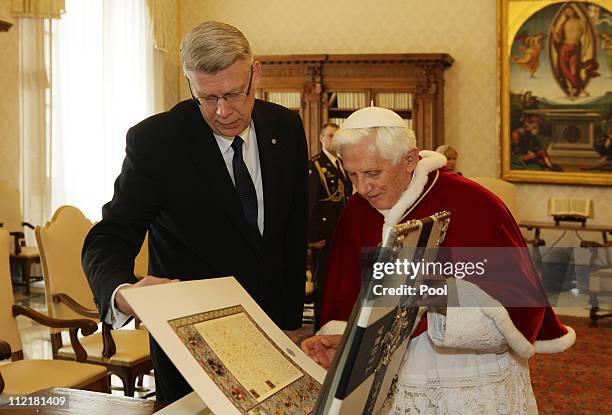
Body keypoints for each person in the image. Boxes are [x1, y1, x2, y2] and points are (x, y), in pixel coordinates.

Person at [82, 21, 308, 403]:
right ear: (189, 83)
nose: (223, 112)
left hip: (271, 332)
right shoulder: (157, 141)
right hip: (192, 342)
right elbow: (111, 236)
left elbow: (291, 235)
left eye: (235, 93)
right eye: (207, 97)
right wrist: (123, 292)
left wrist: (290, 324)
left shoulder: (285, 127)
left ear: (256, 72)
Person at [301, 106, 575, 414]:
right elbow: (348, 298)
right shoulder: (356, 210)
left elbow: (515, 308)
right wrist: (345, 344)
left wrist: (438, 296)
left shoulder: (474, 204)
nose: (362, 187)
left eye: (373, 173)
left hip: (464, 374)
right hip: (384, 383)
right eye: (353, 174)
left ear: (408, 160)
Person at [308, 122, 352, 329]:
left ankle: (334, 324)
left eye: (338, 135)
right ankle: (320, 327)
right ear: (322, 138)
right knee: (323, 285)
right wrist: (313, 238)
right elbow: (310, 204)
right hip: (324, 237)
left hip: (340, 235)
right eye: (331, 135)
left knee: (338, 284)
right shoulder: (315, 165)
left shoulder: (342, 163)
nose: (334, 139)